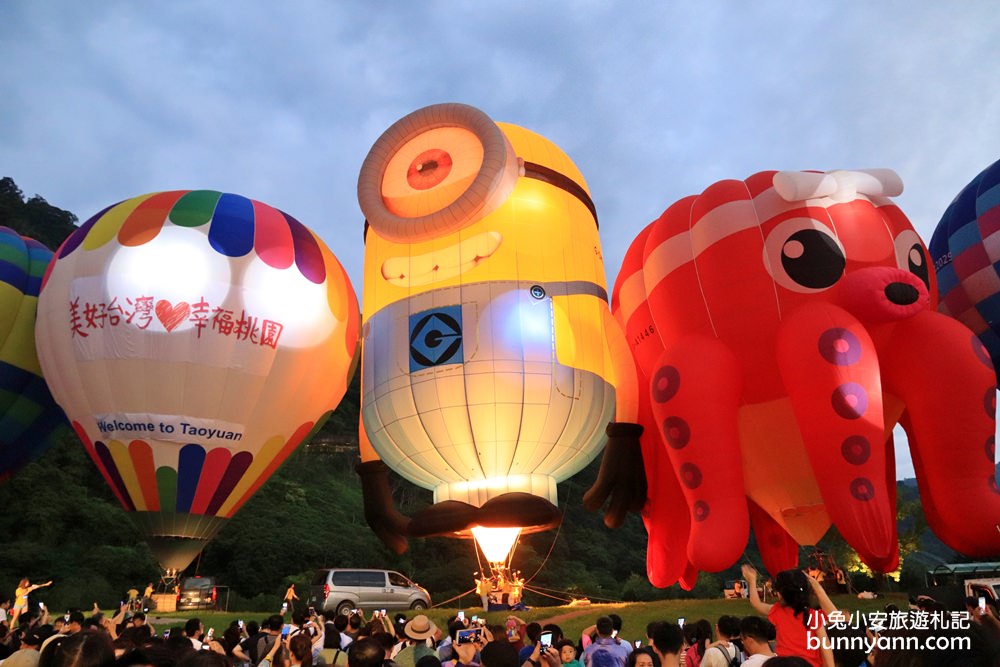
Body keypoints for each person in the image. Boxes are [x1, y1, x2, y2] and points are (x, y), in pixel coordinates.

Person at [742, 565, 834, 667]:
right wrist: (817, 587)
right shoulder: (812, 615)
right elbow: (825, 647)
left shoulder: (777, 611)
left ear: (781, 594)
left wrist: (752, 580)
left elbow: (756, 604)